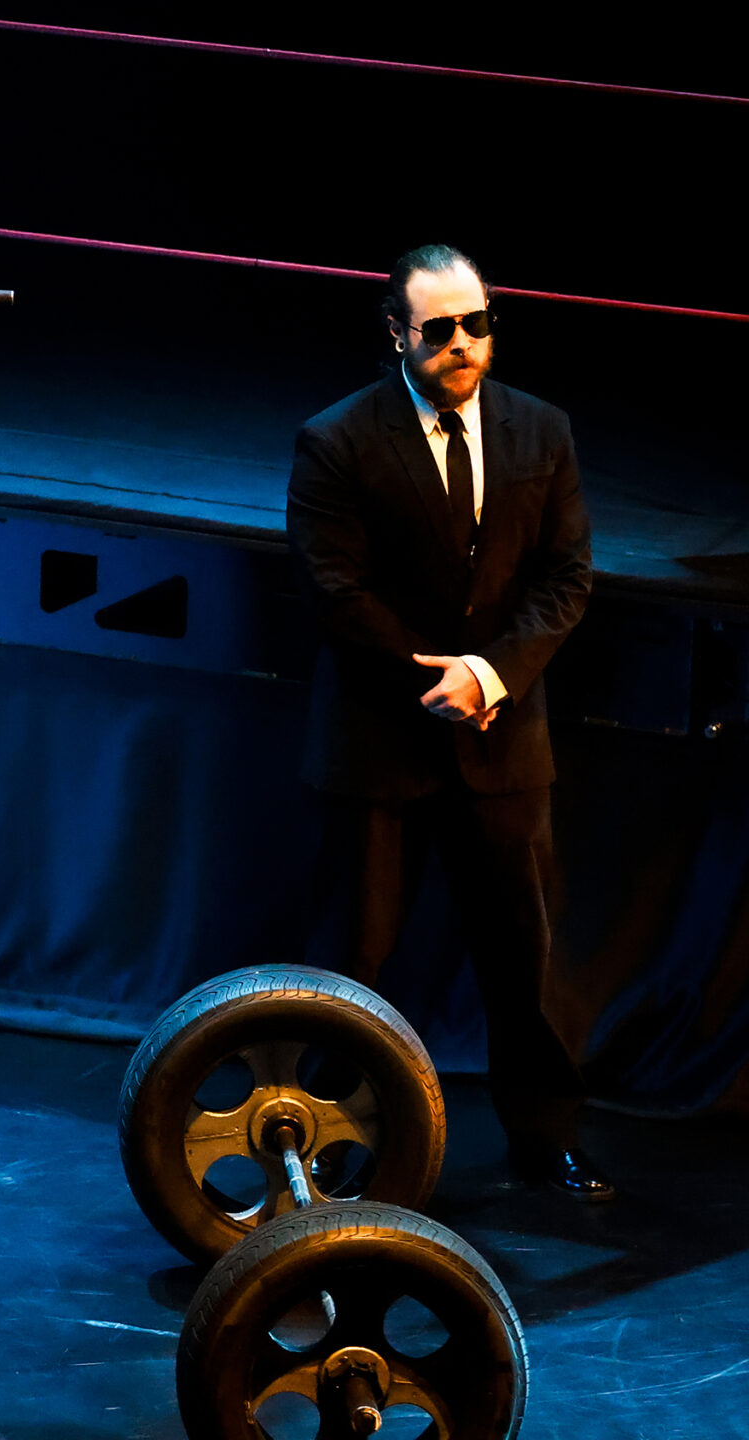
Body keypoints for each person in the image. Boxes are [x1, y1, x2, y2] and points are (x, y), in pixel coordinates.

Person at [287, 243, 609, 1200]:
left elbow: (567, 577)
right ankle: (336, 1141)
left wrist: (489, 675)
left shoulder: (540, 430)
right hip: (381, 741)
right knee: (358, 959)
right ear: (397, 334)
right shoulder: (338, 439)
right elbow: (334, 589)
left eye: (477, 324)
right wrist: (433, 678)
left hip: (503, 740)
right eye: (440, 329)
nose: (464, 344)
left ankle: (542, 1139)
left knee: (528, 958)